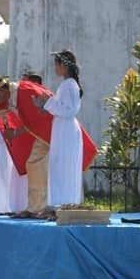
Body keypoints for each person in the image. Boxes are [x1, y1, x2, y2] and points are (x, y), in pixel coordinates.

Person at [0, 75, 96, 218]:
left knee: (39, 165)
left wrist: (15, 132)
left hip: (55, 133)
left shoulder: (25, 92)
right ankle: (40, 207)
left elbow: (40, 119)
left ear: (0, 91)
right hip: (47, 133)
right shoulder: (10, 96)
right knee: (37, 166)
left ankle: (45, 208)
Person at [36, 50, 85, 207]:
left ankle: (65, 204)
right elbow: (60, 107)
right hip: (62, 129)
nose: (55, 68)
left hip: (67, 131)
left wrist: (48, 101)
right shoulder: (67, 85)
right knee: (59, 166)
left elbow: (69, 110)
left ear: (63, 66)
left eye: (56, 65)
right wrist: (44, 104)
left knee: (65, 167)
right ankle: (59, 203)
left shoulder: (69, 85)